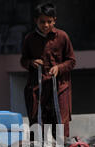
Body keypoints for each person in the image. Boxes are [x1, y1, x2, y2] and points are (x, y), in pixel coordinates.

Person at [20, 2, 76, 139]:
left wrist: (59, 68)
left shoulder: (62, 37)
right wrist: (31, 62)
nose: (45, 25)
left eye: (49, 22)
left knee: (61, 127)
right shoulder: (30, 38)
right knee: (37, 126)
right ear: (36, 21)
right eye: (42, 22)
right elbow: (23, 60)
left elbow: (71, 61)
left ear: (54, 20)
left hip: (60, 89)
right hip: (37, 90)